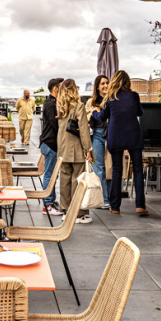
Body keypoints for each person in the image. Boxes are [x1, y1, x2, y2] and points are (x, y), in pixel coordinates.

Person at [97, 70, 147, 216]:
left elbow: (101, 117)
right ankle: (140, 205)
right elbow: (140, 113)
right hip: (133, 136)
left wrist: (94, 112)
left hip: (116, 136)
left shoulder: (111, 98)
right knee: (137, 170)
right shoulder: (134, 95)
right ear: (127, 82)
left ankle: (115, 206)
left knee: (117, 171)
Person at [56, 78, 93, 224]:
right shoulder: (79, 106)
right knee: (78, 180)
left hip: (63, 148)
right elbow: (84, 129)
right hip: (76, 149)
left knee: (65, 180)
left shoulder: (60, 107)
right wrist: (88, 149)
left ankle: (65, 210)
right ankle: (77, 213)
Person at [39, 77, 64, 215]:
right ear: (56, 88)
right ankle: (47, 205)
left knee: (53, 175)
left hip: (50, 144)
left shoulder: (52, 102)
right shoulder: (50, 104)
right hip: (50, 144)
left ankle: (51, 201)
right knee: (49, 175)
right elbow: (56, 125)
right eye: (62, 87)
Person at [87, 75, 111, 210]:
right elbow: (87, 119)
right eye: (102, 83)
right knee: (99, 168)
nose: (105, 86)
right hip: (97, 135)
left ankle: (111, 198)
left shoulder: (112, 100)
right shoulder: (92, 101)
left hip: (111, 135)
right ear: (97, 86)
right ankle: (103, 199)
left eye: (107, 83)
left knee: (111, 168)